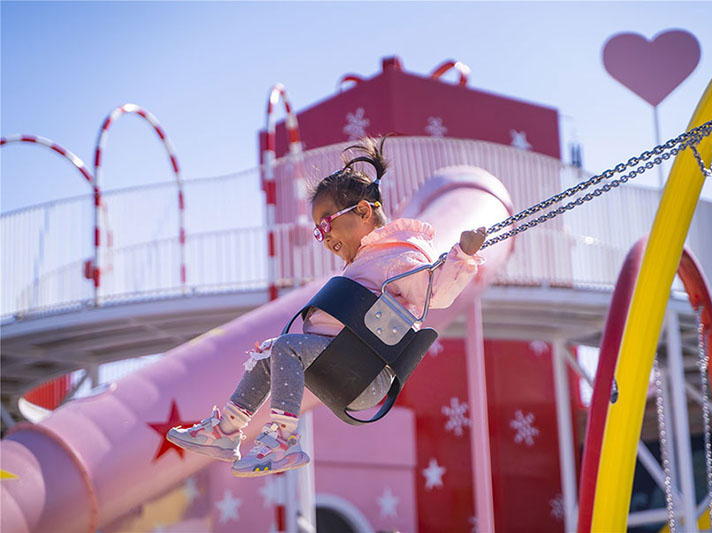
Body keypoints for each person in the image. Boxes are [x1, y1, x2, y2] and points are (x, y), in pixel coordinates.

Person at [167, 136, 487, 477]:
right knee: (269, 353)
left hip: (367, 369)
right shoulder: (367, 258)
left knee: (286, 348)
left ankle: (283, 440)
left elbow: (435, 293)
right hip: (338, 356)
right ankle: (226, 431)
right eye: (319, 232)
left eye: (327, 224)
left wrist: (463, 256)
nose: (325, 238)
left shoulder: (400, 255)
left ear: (363, 212)